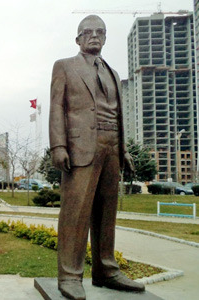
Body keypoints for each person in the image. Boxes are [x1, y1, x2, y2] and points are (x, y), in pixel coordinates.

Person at [49, 15, 144, 300]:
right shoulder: (64, 67)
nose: (94, 36)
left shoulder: (113, 73)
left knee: (106, 214)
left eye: (100, 32)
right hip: (80, 149)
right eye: (87, 32)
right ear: (77, 39)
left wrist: (123, 149)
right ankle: (69, 275)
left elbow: (117, 113)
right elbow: (56, 107)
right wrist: (58, 146)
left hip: (111, 146)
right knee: (75, 214)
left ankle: (106, 270)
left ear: (105, 38)